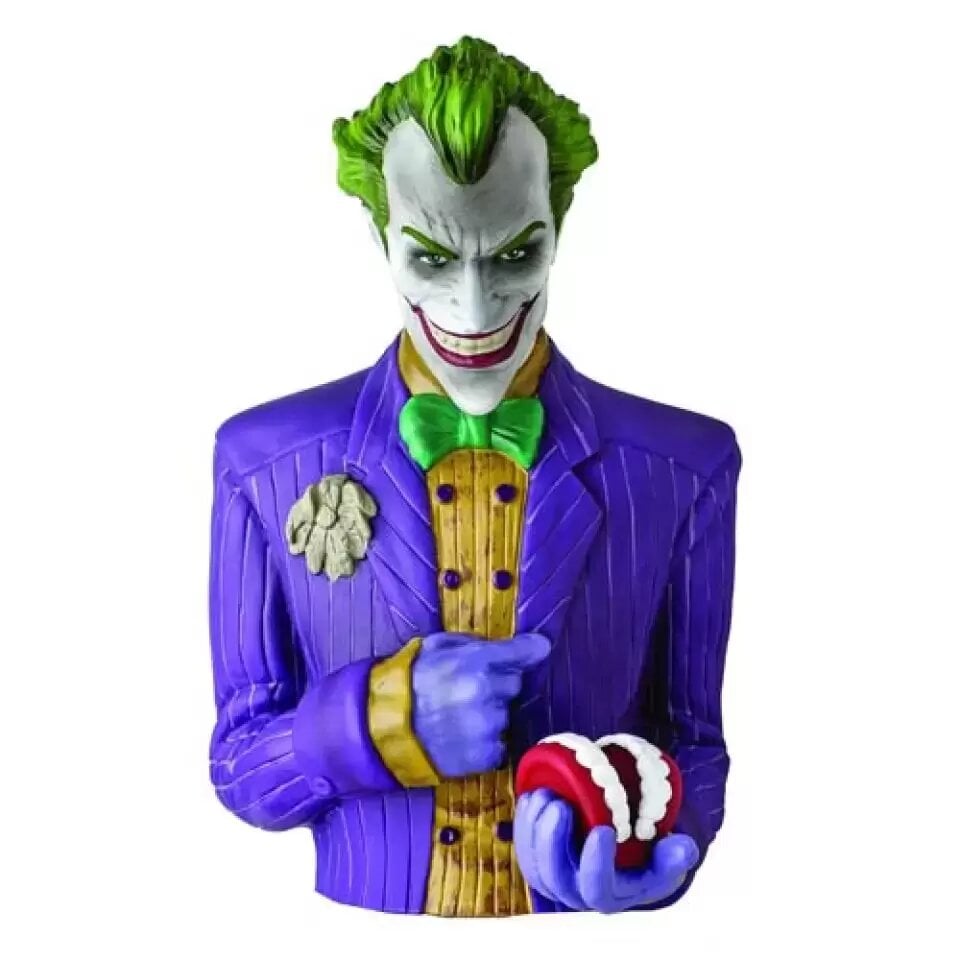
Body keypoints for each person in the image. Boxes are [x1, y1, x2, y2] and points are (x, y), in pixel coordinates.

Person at [207, 36, 741, 916]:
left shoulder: (683, 467)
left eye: (514, 255)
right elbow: (238, 764)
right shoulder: (263, 461)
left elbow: (696, 741)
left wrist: (655, 843)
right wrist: (374, 724)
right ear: (380, 234)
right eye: (430, 258)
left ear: (559, 229)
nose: (475, 306)